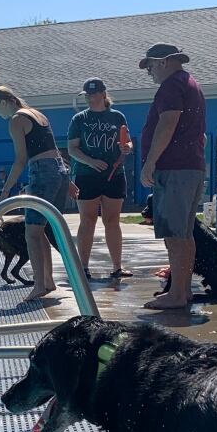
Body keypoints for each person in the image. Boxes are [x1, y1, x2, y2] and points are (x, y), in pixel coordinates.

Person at [0, 85, 75, 301]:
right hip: (58, 171)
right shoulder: (37, 114)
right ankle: (48, 281)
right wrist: (67, 180)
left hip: (43, 172)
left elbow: (20, 159)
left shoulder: (17, 120)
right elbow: (53, 150)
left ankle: (39, 285)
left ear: (5, 103)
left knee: (32, 232)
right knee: (40, 229)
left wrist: (5, 191)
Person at [139, 43, 207, 309]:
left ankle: (177, 294)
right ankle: (182, 290)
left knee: (175, 236)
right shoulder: (191, 84)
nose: (150, 73)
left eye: (151, 67)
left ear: (165, 62)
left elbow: (168, 123)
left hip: (175, 169)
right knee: (184, 234)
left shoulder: (171, 86)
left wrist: (150, 163)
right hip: (191, 167)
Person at [68, 77, 134, 280]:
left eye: (95, 94)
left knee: (112, 220)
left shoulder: (117, 117)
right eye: (88, 95)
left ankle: (117, 267)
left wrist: (126, 148)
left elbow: (128, 143)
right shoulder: (79, 119)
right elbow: (72, 149)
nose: (91, 98)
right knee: (87, 220)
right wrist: (90, 161)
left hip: (114, 174)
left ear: (104, 94)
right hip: (87, 175)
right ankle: (83, 268)